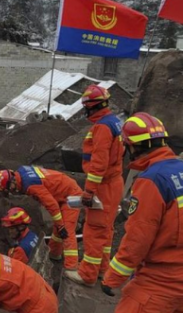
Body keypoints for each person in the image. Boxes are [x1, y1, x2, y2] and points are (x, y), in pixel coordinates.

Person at [101, 113, 183, 312]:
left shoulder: (151, 180)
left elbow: (138, 238)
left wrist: (112, 277)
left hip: (161, 281)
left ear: (133, 147)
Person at [65, 85, 125, 286]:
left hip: (104, 186)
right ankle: (101, 270)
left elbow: (99, 163)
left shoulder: (102, 128)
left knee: (94, 230)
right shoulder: (114, 122)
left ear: (91, 107)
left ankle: (87, 274)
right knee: (106, 230)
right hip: (114, 183)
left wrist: (89, 191)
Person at [0, 166, 81, 270]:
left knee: (66, 230)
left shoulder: (31, 186)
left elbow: (52, 205)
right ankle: (54, 254)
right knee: (58, 227)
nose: (11, 192)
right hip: (62, 188)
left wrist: (60, 225)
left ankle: (72, 267)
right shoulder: (20, 173)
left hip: (71, 194)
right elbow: (6, 181)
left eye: (9, 189)